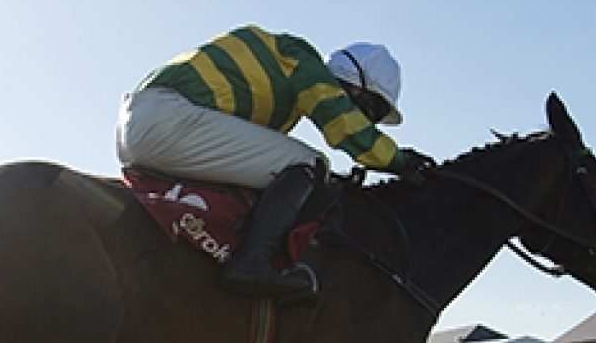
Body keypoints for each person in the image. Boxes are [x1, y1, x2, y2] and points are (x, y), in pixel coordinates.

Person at [116, 27, 433, 305]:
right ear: (353, 85)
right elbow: (343, 127)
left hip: (141, 121)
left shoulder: (280, 94)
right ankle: (251, 264)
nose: (367, 120)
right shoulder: (302, 61)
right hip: (167, 118)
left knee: (299, 169)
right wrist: (399, 161)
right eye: (371, 110)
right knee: (310, 161)